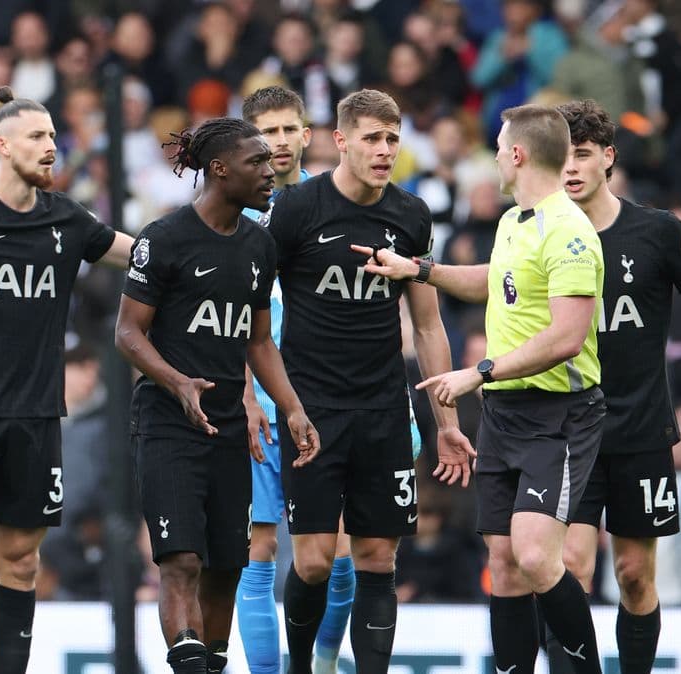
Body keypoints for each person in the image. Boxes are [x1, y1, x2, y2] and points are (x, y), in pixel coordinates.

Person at [357, 104, 606, 673]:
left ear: (517, 154)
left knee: (539, 556)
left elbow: (568, 337)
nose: (493, 155)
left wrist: (480, 371)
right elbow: (496, 282)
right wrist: (419, 270)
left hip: (557, 413)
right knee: (505, 559)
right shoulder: (514, 220)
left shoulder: (569, 230)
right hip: (504, 413)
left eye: (498, 146)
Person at [546, 100, 681, 674]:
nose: (571, 168)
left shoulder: (660, 232)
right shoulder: (536, 235)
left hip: (641, 430)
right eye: (561, 156)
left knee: (635, 576)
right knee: (569, 569)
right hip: (568, 432)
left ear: (607, 158)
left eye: (583, 155)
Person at [266, 89, 474, 674]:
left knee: (378, 558)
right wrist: (256, 398)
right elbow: (254, 313)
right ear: (341, 141)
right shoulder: (298, 209)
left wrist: (446, 421)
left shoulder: (410, 215)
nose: (384, 150)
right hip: (312, 408)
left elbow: (429, 325)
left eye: (393, 139)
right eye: (372, 139)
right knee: (311, 563)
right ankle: (301, 667)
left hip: (384, 406)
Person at [115, 116, 320, 674]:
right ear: (219, 170)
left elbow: (258, 341)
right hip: (167, 423)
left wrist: (293, 408)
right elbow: (128, 332)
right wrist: (176, 380)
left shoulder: (259, 245)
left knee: (228, 565)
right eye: (256, 162)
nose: (269, 169)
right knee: (181, 560)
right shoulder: (164, 239)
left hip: (230, 426)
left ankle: (210, 662)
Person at [0, 87, 133, 674]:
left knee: (21, 561)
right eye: (36, 137)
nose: (51, 147)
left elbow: (138, 256)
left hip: (36, 417)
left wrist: (207, 249)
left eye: (53, 136)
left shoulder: (66, 218)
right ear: (2, 145)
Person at [233, 85, 349, 674]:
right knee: (258, 547)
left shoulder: (337, 201)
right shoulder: (229, 211)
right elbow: (220, 317)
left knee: (339, 553)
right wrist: (241, 392)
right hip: (257, 397)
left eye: (288, 130)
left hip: (331, 393)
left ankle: (323, 665)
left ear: (308, 135)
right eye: (266, 133)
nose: (278, 142)